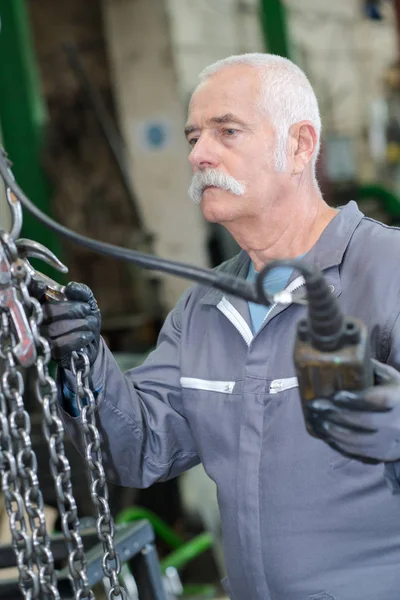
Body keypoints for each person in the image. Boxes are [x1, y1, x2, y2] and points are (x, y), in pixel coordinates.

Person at [37, 54, 400, 600]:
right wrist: (86, 362)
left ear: (300, 146)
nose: (200, 155)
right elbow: (142, 449)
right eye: (193, 137)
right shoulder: (204, 309)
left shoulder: (388, 271)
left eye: (227, 131)